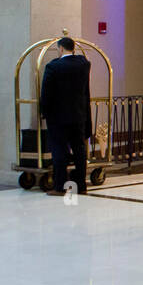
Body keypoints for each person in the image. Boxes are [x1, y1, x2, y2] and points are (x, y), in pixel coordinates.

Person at [39, 36, 92, 196]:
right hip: (79, 115)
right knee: (79, 150)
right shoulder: (83, 64)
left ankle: (60, 185)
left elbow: (46, 93)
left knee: (59, 150)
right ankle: (81, 185)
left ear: (60, 48)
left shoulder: (53, 67)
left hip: (58, 117)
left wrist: (44, 111)